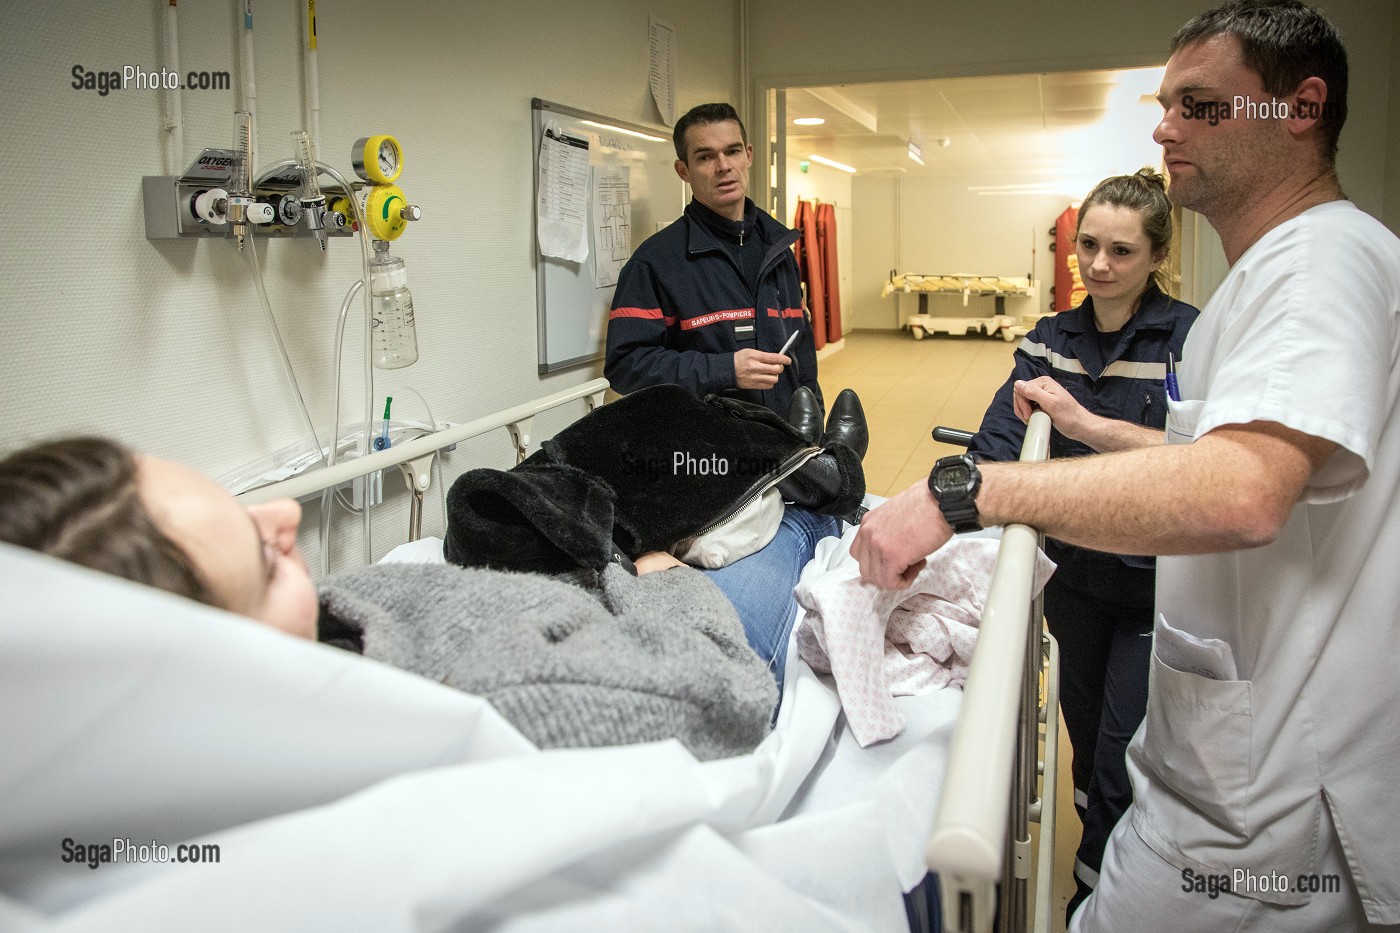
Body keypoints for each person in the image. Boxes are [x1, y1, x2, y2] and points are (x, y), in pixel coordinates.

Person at [853, 2, 1400, 930]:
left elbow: (1240, 491)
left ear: (1301, 108)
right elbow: (1218, 459)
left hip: (1264, 808)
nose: (1165, 127)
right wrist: (1082, 423)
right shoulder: (1278, 273)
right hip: (1241, 762)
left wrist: (971, 493)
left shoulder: (1316, 268)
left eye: (1202, 105)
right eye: (1165, 103)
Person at [0, 434, 834, 722]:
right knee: (772, 537)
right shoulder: (510, 694)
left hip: (585, 592)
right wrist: (648, 575)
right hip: (683, 632)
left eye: (240, 502)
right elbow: (721, 694)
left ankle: (794, 462)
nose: (286, 515)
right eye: (262, 558)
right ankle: (820, 495)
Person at [966, 169, 1198, 922]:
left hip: (1152, 585)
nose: (1099, 264)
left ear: (1158, 255)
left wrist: (1087, 427)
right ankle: (1096, 854)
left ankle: (1094, 896)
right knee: (1084, 728)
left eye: (1121, 251)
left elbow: (1203, 456)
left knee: (1120, 755)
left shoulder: (1188, 339)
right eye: (1089, 246)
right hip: (1070, 579)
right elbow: (1000, 438)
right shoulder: (1048, 339)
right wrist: (959, 494)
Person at [604, 102, 822, 418]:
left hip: (785, 442)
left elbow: (800, 350)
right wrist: (724, 369)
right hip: (707, 451)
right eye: (706, 156)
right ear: (684, 170)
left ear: (748, 155)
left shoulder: (778, 249)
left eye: (732, 151)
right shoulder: (655, 263)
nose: (723, 166)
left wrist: (814, 422)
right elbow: (626, 366)